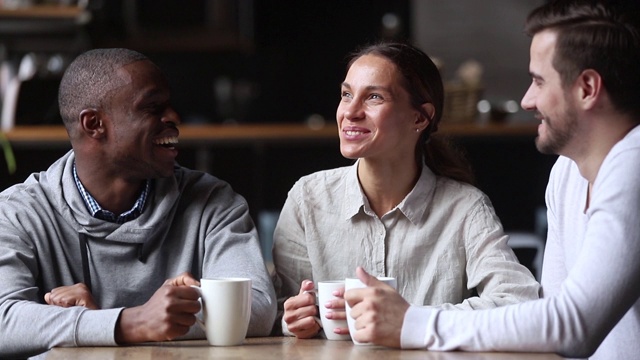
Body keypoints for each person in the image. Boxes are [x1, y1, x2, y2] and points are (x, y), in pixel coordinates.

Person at [344, 1, 640, 358]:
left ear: (588, 88)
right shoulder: (566, 172)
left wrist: (413, 323)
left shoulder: (634, 163)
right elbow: (547, 325)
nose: (527, 100)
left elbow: (571, 326)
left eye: (538, 81)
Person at [0, 48, 276, 358]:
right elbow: (3, 321)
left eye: (169, 105)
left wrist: (98, 324)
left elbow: (258, 306)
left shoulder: (213, 202)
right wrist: (130, 323)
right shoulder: (17, 212)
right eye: (153, 107)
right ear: (94, 124)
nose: (174, 118)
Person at [272, 42, 540, 339]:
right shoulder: (307, 198)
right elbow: (277, 308)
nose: (350, 111)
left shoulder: (465, 208)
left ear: (420, 117)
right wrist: (291, 320)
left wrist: (411, 320)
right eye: (346, 94)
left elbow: (519, 303)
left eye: (373, 97)